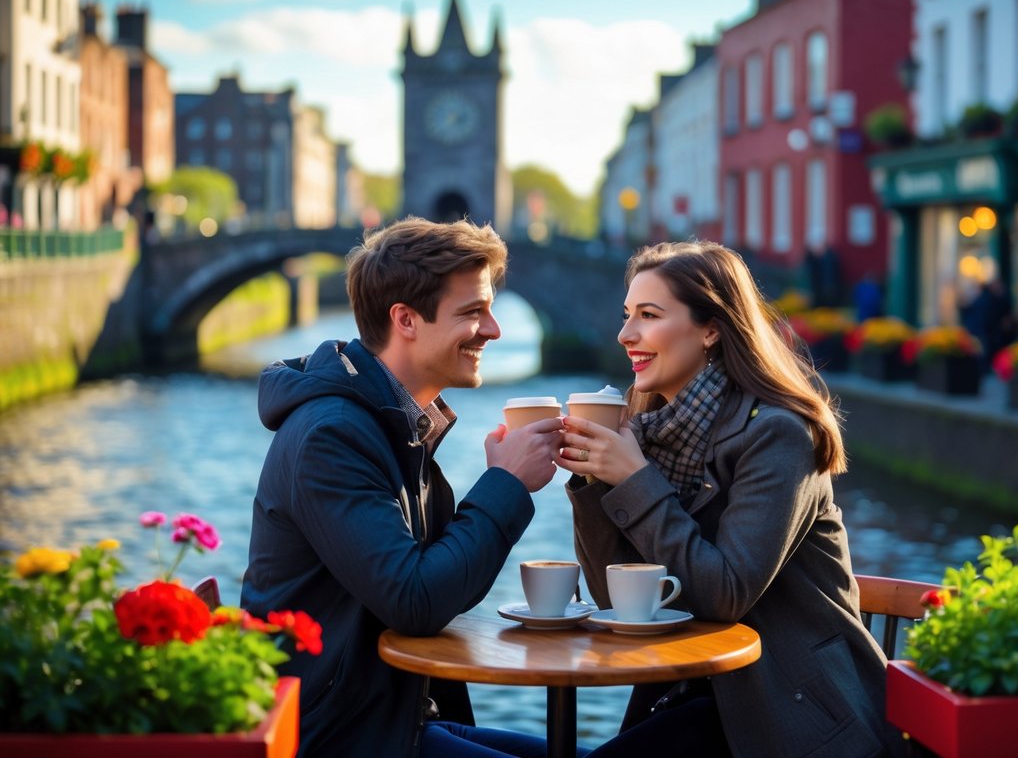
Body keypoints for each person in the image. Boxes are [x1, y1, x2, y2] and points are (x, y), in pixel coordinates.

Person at [241, 217, 565, 758]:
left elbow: (432, 586)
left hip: (395, 717)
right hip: (339, 736)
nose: (494, 330)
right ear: (406, 320)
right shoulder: (333, 436)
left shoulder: (396, 424)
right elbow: (414, 599)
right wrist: (506, 484)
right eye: (473, 312)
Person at [557, 241, 895, 758]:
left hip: (790, 713)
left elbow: (725, 595)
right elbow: (614, 600)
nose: (625, 334)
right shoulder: (649, 433)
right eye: (626, 315)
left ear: (711, 328)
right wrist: (593, 481)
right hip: (691, 692)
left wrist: (633, 479)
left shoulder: (779, 436)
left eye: (648, 315)